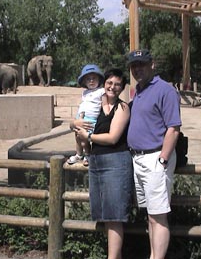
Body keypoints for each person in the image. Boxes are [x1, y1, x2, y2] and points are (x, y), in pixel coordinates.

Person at [126, 49, 181, 259]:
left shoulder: (164, 90)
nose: (137, 69)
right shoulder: (138, 91)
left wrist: (163, 159)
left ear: (152, 65)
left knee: (158, 217)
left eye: (142, 64)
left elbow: (173, 128)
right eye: (134, 66)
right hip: (139, 159)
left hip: (156, 157)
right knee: (151, 216)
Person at [73, 68, 132, 259]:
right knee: (105, 214)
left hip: (116, 162)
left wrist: (88, 135)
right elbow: (76, 122)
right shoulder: (93, 103)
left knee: (114, 215)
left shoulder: (123, 108)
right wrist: (74, 125)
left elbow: (113, 138)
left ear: (122, 88)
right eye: (109, 83)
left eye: (117, 84)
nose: (112, 87)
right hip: (96, 162)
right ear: (103, 83)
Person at [67, 64, 109, 167]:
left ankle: (87, 155)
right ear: (84, 82)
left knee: (85, 139)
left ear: (99, 79)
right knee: (77, 137)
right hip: (81, 118)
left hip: (91, 120)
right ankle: (79, 154)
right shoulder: (85, 92)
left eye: (94, 78)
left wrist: (107, 112)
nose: (91, 81)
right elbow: (83, 105)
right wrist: (79, 116)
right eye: (88, 79)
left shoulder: (101, 91)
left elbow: (104, 104)